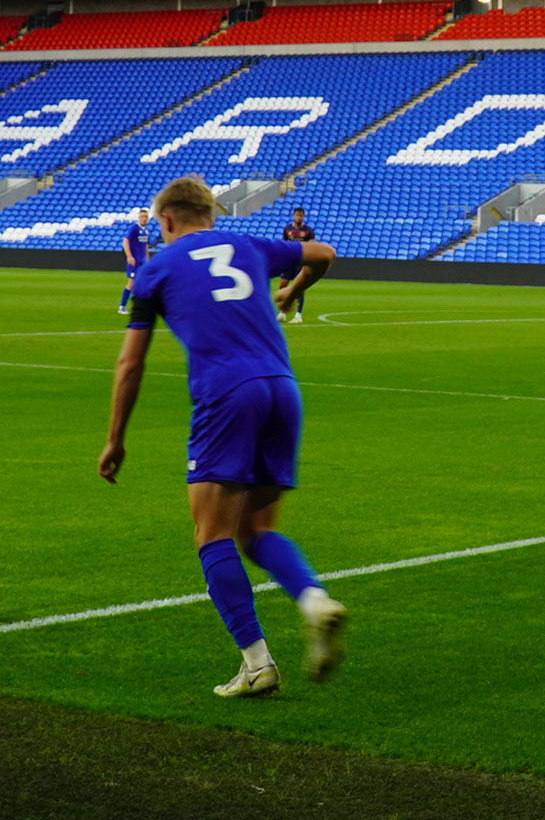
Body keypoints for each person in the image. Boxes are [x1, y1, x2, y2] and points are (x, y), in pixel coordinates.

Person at [98, 176, 346, 698]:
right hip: (283, 390)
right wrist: (290, 292)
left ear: (165, 221)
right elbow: (322, 254)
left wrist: (116, 439)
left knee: (212, 533)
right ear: (211, 215)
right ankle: (313, 600)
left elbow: (130, 365)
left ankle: (257, 663)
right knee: (255, 531)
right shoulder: (249, 245)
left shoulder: (156, 269)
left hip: (226, 395)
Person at [276, 207, 316, 325]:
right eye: (297, 215)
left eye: (300, 215)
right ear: (294, 216)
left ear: (303, 217)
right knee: (283, 284)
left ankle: (298, 314)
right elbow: (284, 243)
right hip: (288, 261)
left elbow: (312, 245)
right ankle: (282, 312)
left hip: (300, 262)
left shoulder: (308, 230)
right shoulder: (287, 229)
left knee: (299, 287)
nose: (298, 217)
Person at [120, 208, 154, 314]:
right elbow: (125, 241)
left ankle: (139, 307)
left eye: (146, 217)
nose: (144, 219)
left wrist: (147, 259)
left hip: (143, 262)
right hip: (135, 261)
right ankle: (122, 306)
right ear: (139, 217)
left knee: (143, 282)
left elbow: (145, 246)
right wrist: (129, 256)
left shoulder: (146, 231)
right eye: (142, 216)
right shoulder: (134, 229)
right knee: (132, 282)